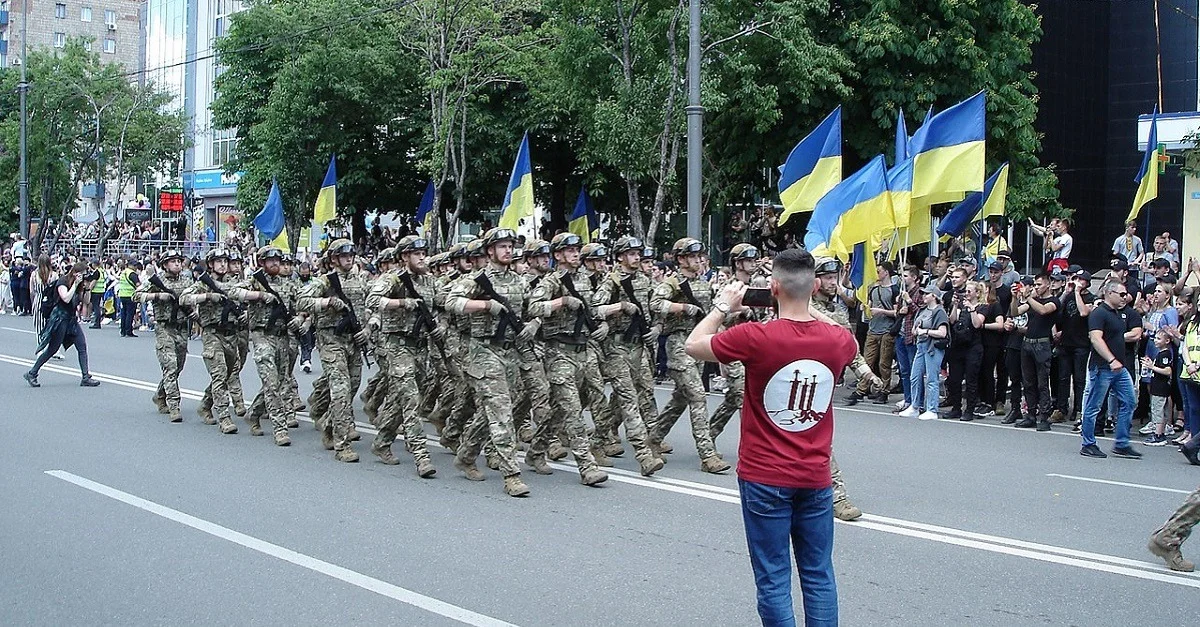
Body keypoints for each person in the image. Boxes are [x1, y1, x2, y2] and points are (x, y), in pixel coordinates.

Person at [684, 247, 855, 627]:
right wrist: (803, 300)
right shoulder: (838, 342)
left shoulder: (756, 336)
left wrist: (723, 306)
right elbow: (840, 332)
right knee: (818, 573)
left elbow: (693, 345)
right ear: (813, 288)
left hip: (766, 475)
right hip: (815, 475)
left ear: (772, 287)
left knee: (774, 577)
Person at [445, 228, 533, 497]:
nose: (508, 250)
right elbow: (450, 302)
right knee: (501, 411)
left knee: (491, 411)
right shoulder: (477, 280)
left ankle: (467, 453)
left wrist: (535, 323)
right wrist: (484, 306)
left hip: (511, 352)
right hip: (483, 352)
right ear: (490, 251)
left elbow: (532, 308)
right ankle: (512, 475)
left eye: (510, 246)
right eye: (502, 246)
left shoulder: (520, 282)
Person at [525, 232, 610, 486]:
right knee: (572, 411)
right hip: (558, 351)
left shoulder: (586, 279)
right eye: (569, 250)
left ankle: (536, 451)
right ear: (558, 255)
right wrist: (561, 301)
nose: (575, 253)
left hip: (583, 350)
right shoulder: (551, 281)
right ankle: (587, 466)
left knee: (560, 410)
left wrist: (603, 321)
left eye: (577, 249)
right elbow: (533, 307)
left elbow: (594, 306)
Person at [648, 237, 731, 474]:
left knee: (680, 399)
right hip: (678, 345)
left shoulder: (703, 283)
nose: (699, 260)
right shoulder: (672, 283)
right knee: (697, 396)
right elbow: (655, 303)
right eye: (693, 257)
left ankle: (653, 438)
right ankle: (707, 455)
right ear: (681, 259)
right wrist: (681, 307)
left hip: (698, 345)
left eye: (700, 256)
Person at [297, 239, 371, 462]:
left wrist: (367, 330)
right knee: (340, 391)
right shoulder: (324, 282)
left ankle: (330, 425)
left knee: (351, 389)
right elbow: (301, 300)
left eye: (351, 255)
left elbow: (372, 307)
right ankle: (342, 445)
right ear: (334, 260)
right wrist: (327, 302)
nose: (349, 259)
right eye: (344, 255)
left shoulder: (361, 282)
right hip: (331, 341)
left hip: (354, 341)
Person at [1078, 281, 1141, 459]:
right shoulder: (1099, 314)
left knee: (1129, 401)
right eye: (1121, 294)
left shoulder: (1118, 314)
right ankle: (1088, 443)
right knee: (1093, 406)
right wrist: (1111, 359)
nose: (1125, 298)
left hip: (1118, 369)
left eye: (1125, 294)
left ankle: (1121, 443)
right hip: (1103, 367)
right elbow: (1096, 339)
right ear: (1109, 293)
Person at [134, 250, 193, 423]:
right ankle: (174, 405)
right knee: (170, 366)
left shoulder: (187, 280)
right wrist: (158, 295)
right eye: (172, 261)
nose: (177, 264)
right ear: (165, 264)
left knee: (178, 366)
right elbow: (136, 295)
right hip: (164, 328)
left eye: (179, 261)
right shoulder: (158, 281)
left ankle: (160, 394)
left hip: (182, 328)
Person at [23, 262, 100, 388]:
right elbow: (66, 298)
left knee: (82, 346)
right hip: (59, 319)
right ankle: (32, 373)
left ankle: (85, 377)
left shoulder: (80, 284)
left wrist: (86, 288)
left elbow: (85, 301)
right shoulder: (62, 282)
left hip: (71, 320)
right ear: (76, 273)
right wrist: (75, 285)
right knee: (52, 349)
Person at [845, 261, 897, 406]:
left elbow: (896, 312)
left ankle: (884, 390)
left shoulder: (894, 290)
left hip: (886, 330)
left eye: (879, 271)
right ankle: (862, 390)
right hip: (873, 329)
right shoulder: (874, 290)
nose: (877, 274)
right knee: (866, 361)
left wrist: (881, 311)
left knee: (884, 364)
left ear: (886, 272)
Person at [1013, 273, 1058, 431]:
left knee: (1042, 383)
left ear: (1048, 285)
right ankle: (1031, 414)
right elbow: (1015, 312)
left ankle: (1044, 417)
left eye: (1039, 285)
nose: (1036, 287)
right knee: (1028, 381)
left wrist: (1029, 298)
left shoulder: (1053, 301)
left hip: (1042, 344)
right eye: (1035, 285)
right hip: (1027, 343)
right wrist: (1015, 298)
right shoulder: (1034, 301)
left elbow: (1044, 311)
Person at [899, 284, 949, 421]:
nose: (923, 296)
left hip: (932, 347)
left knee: (932, 379)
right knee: (914, 376)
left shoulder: (939, 312)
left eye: (926, 293)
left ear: (934, 296)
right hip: (920, 346)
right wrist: (916, 331)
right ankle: (915, 406)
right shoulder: (922, 310)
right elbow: (915, 329)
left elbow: (942, 332)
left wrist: (925, 331)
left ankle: (932, 409)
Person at [1141, 330, 1175, 446]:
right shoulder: (1160, 354)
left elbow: (1167, 371)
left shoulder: (1165, 354)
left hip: (1160, 388)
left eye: (1159, 339)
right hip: (1159, 387)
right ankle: (1161, 432)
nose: (1155, 340)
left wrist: (1152, 367)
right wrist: (1151, 364)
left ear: (1167, 341)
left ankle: (1158, 435)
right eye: (1155, 338)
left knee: (1157, 411)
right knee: (1161, 410)